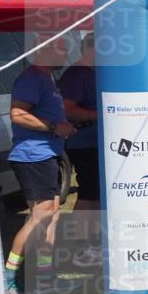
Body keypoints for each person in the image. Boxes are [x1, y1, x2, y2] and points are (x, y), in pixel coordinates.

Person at [5, 39, 77, 294]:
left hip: (48, 154)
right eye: (62, 48)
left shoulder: (47, 79)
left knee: (51, 217)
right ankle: (9, 280)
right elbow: (18, 114)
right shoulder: (31, 77)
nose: (66, 53)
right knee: (40, 217)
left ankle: (46, 278)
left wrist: (65, 125)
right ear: (43, 50)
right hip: (32, 156)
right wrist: (55, 128)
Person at [57, 35, 103, 268]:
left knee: (96, 194)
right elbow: (67, 109)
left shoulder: (93, 72)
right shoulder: (76, 74)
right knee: (89, 194)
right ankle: (82, 248)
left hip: (96, 142)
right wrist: (103, 116)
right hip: (83, 142)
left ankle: (95, 244)